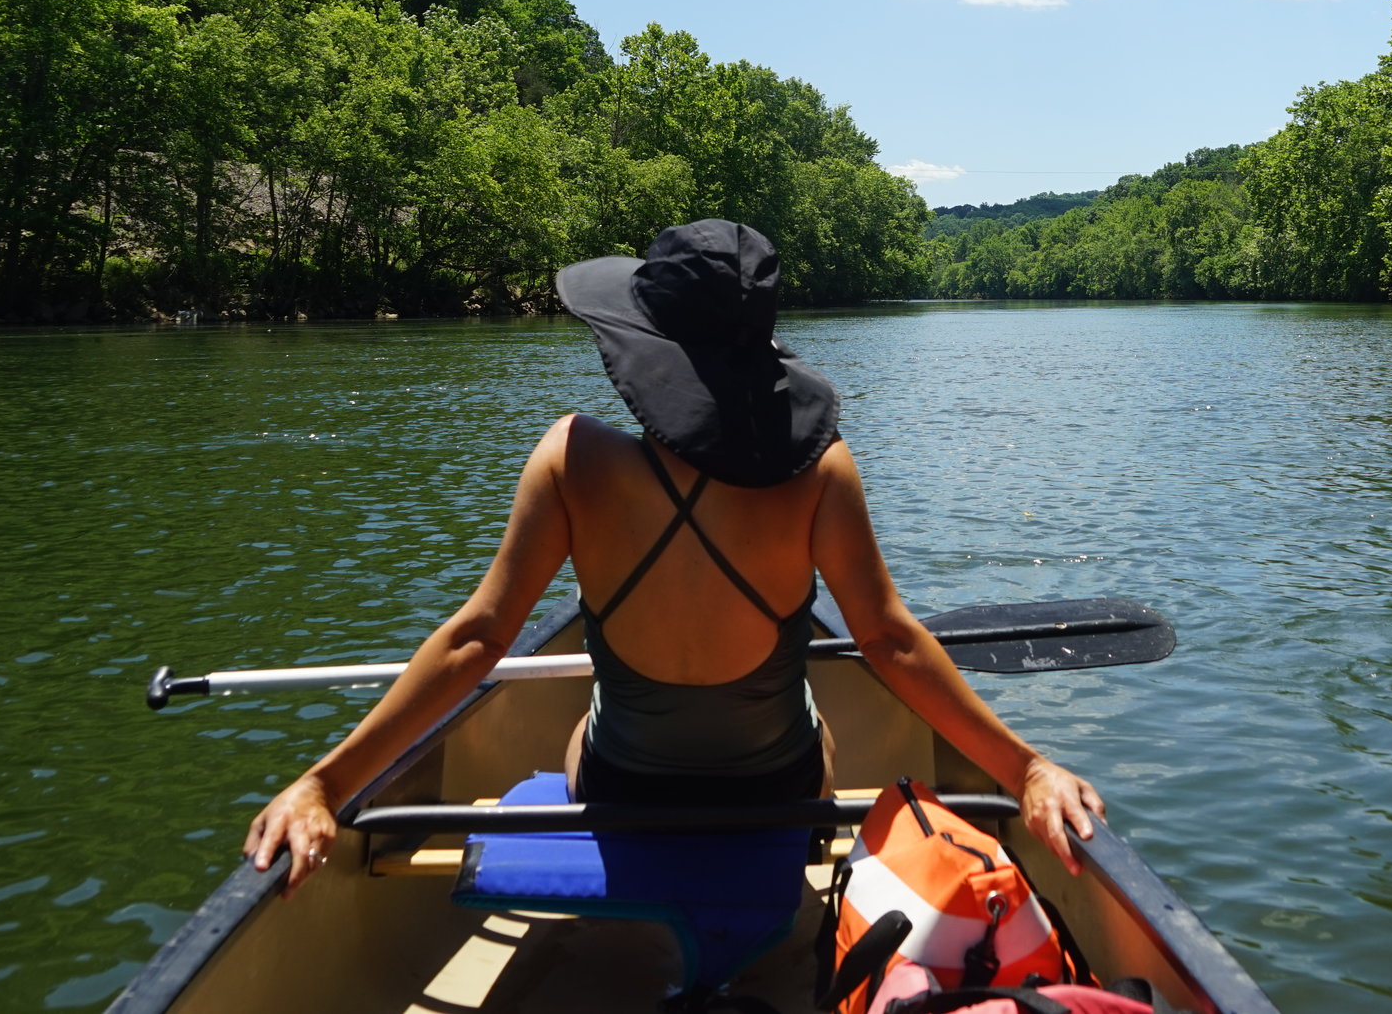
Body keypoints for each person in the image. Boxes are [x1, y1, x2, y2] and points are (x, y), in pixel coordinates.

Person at [244, 219, 1106, 893]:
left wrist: (324, 783)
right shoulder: (820, 471)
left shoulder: (571, 459)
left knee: (585, 721)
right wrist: (1024, 766)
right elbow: (889, 641)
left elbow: (476, 642)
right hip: (780, 792)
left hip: (621, 790)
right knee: (818, 712)